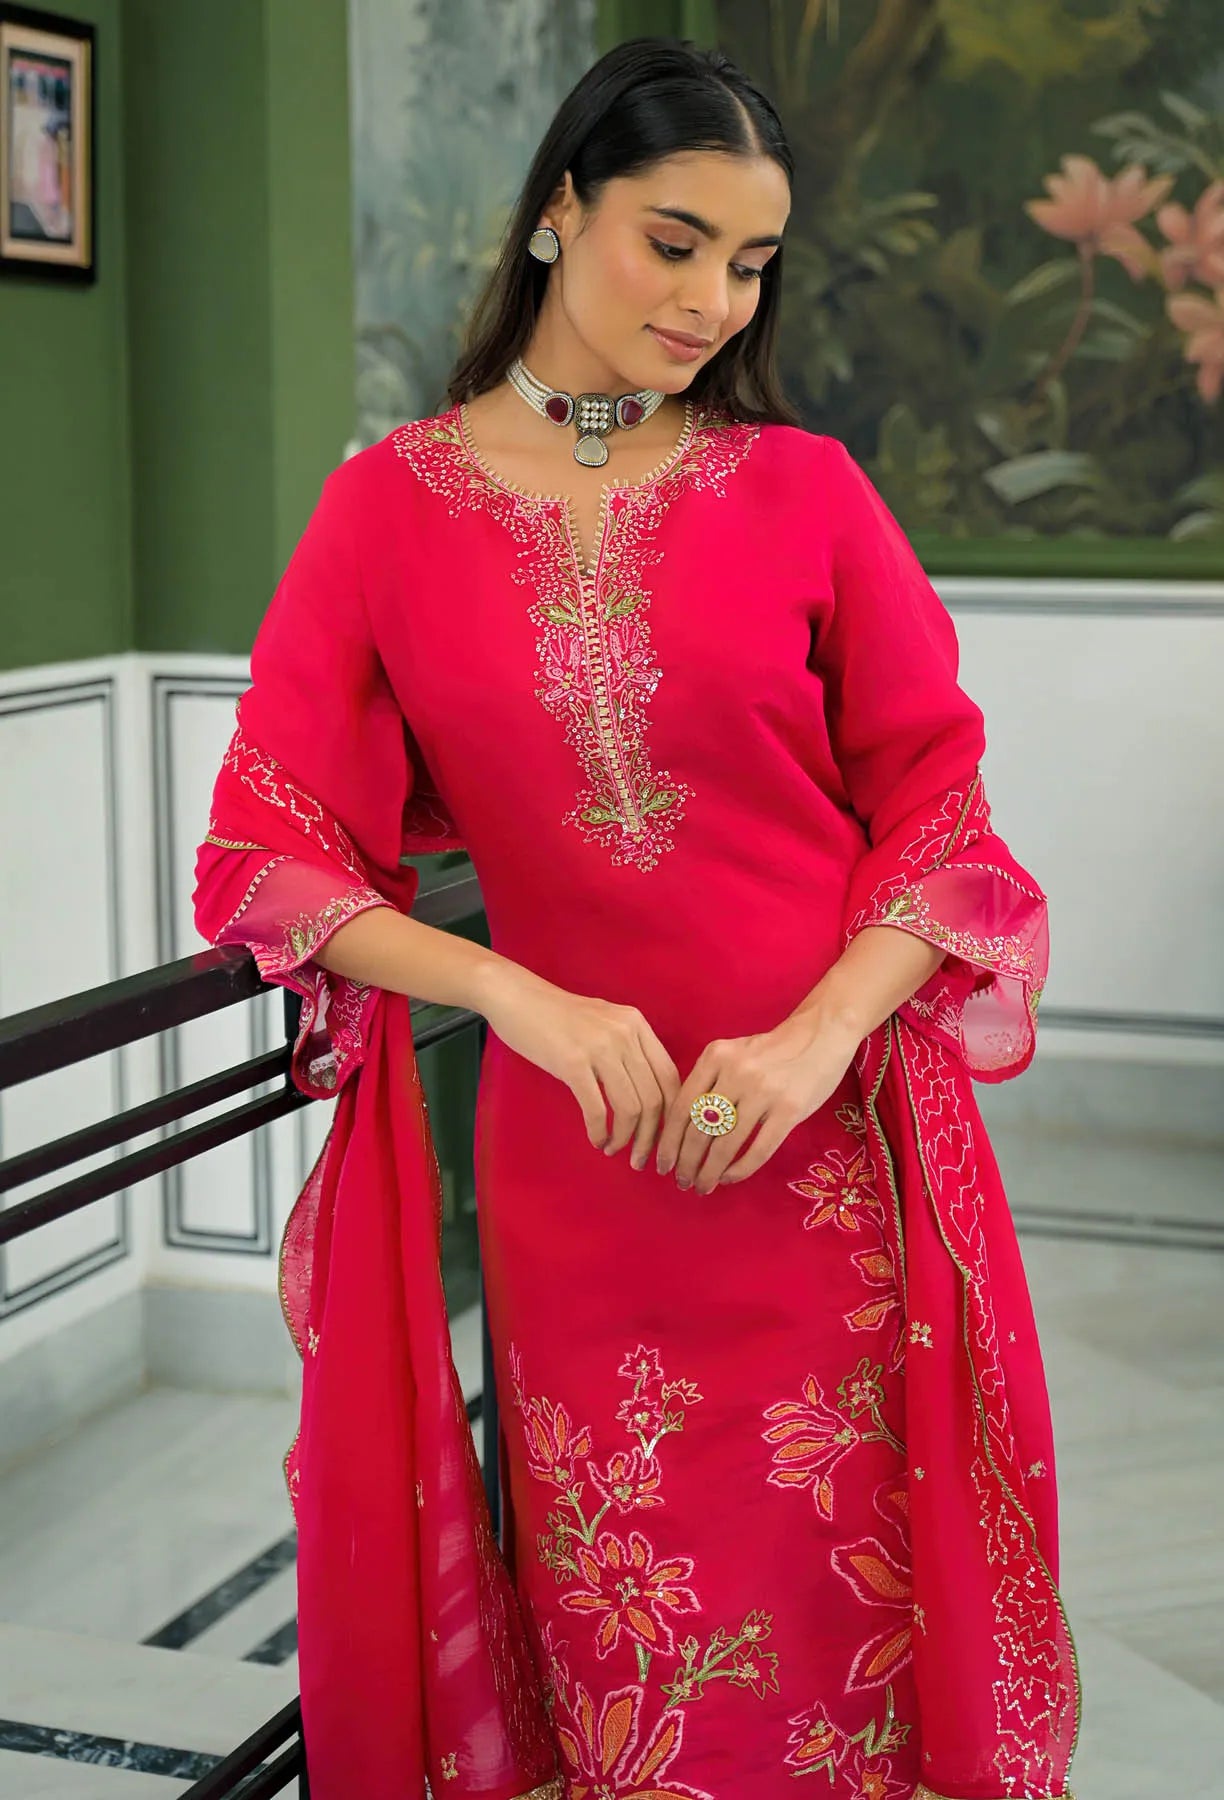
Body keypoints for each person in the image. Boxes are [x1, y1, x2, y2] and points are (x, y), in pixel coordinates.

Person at [193, 37, 1079, 1800]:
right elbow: (265, 857)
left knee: (854, 1632)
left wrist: (822, 1032)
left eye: (748, 263)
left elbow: (943, 819)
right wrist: (517, 997)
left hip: (831, 1159)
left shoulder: (806, 490)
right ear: (559, 212)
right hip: (582, 1175)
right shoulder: (385, 512)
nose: (709, 301)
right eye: (672, 242)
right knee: (642, 1650)